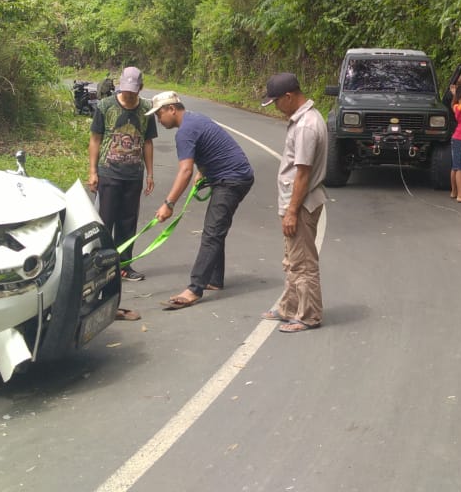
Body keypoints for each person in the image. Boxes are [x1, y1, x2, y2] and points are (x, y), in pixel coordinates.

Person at [147, 91, 255, 310]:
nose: (158, 119)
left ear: (172, 109)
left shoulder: (184, 131)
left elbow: (185, 170)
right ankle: (214, 279)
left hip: (232, 179)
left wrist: (169, 204)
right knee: (217, 227)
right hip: (235, 175)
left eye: (159, 114)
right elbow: (209, 149)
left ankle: (195, 289)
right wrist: (203, 171)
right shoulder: (195, 119)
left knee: (212, 231)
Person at [258, 73, 327, 333]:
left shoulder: (306, 125)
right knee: (292, 259)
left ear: (289, 97)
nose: (276, 107)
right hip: (297, 201)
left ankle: (309, 315)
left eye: (276, 102)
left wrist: (291, 212)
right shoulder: (303, 120)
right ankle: (289, 307)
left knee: (303, 262)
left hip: (302, 203)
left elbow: (303, 173)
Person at [89, 66, 157, 294]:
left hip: (133, 174)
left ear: (141, 88)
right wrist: (92, 171)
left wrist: (150, 173)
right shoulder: (105, 106)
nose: (129, 95)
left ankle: (124, 265)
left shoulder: (147, 109)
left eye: (133, 91)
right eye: (126, 90)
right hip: (109, 171)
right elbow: (95, 139)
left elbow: (148, 142)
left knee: (128, 222)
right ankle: (102, 266)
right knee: (105, 222)